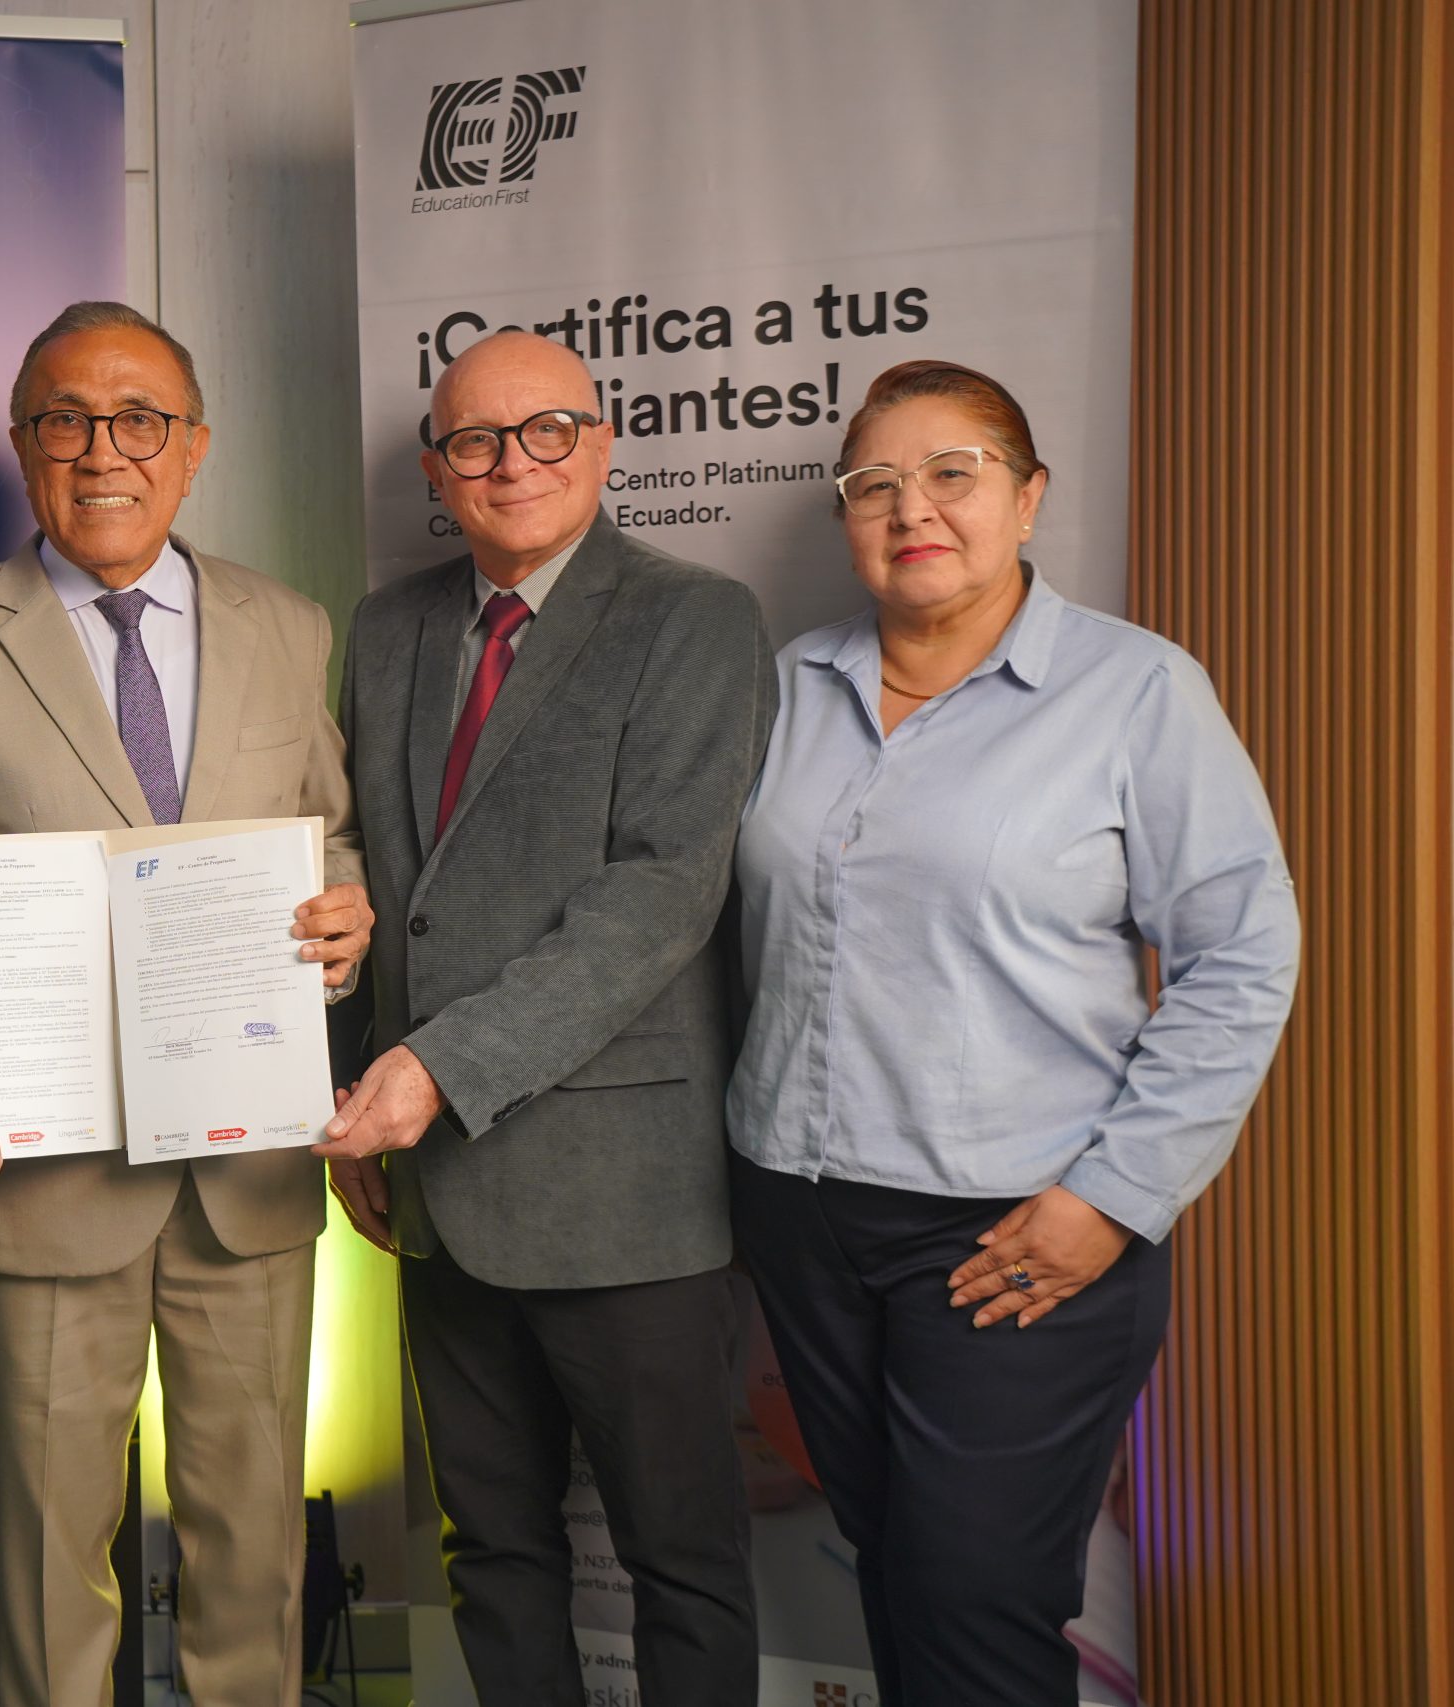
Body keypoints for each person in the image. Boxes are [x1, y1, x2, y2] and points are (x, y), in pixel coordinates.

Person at [725, 359, 1300, 1705]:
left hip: (1016, 1233)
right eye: (875, 483)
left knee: (973, 1610)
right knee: (894, 1578)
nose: (912, 508)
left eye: (954, 474)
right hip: (803, 1217)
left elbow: (1240, 957)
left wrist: (1115, 1198)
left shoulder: (1137, 691)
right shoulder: (788, 683)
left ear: (1029, 499)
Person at [0, 300, 372, 1706]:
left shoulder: (288, 625)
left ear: (193, 447)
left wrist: (345, 915)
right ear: (24, 444)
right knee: (49, 1564)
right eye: (67, 420)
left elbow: (328, 836)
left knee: (255, 1553)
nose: (104, 451)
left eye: (139, 420)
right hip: (39, 1181)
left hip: (246, 1174)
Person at [322, 328, 768, 1706]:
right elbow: (376, 883)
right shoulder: (386, 629)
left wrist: (432, 1073)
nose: (513, 463)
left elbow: (659, 897)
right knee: (493, 1556)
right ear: (436, 470)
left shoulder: (695, 620)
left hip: (625, 1192)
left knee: (680, 1561)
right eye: (475, 440)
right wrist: (350, 1091)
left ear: (603, 444)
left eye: (547, 431)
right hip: (435, 1189)